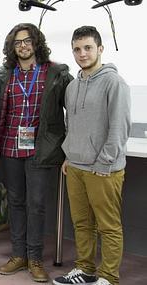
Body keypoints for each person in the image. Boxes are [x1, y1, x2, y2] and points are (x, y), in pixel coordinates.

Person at [0, 23, 73, 282]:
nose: (23, 46)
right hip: (9, 147)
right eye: (18, 42)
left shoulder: (56, 73)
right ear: (12, 47)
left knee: (36, 205)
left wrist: (69, 148)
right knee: (15, 203)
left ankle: (36, 258)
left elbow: (72, 111)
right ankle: (19, 256)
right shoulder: (5, 74)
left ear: (36, 43)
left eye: (27, 40)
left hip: (42, 150)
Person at [53, 26, 131, 285]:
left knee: (108, 226)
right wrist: (68, 155)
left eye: (87, 48)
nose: (82, 53)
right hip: (75, 166)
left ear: (100, 49)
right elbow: (72, 125)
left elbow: (119, 127)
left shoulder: (114, 82)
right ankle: (84, 270)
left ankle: (108, 277)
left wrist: (105, 162)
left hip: (103, 168)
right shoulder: (72, 87)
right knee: (82, 224)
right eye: (77, 49)